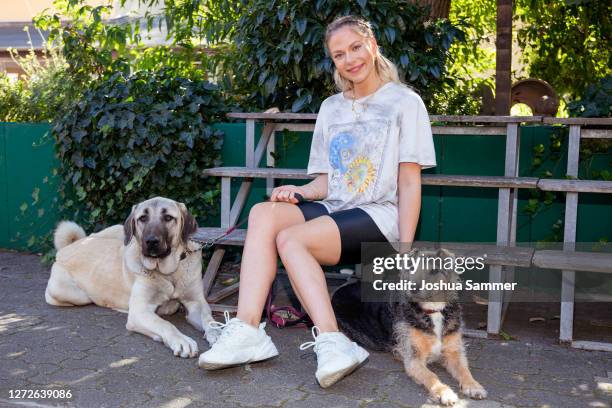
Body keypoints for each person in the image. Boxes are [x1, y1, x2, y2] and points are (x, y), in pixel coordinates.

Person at [198, 15, 437, 388]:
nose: (350, 59)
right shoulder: (331, 108)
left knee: (292, 240)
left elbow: (409, 182)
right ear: (333, 61)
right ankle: (248, 331)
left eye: (356, 47)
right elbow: (327, 180)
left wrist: (403, 249)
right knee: (264, 213)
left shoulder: (404, 103)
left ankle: (333, 341)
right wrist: (299, 193)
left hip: (381, 216)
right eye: (339, 54)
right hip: (336, 210)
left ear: (372, 45)